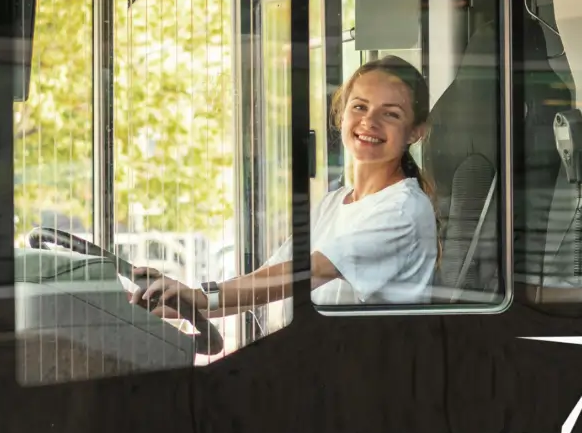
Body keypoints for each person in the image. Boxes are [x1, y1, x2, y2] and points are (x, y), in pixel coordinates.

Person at [130, 55, 438, 323]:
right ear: (342, 115)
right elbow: (261, 287)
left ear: (415, 132)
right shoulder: (334, 202)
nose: (369, 121)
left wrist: (198, 296)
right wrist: (175, 304)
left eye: (390, 114)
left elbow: (309, 273)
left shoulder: (402, 210)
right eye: (359, 107)